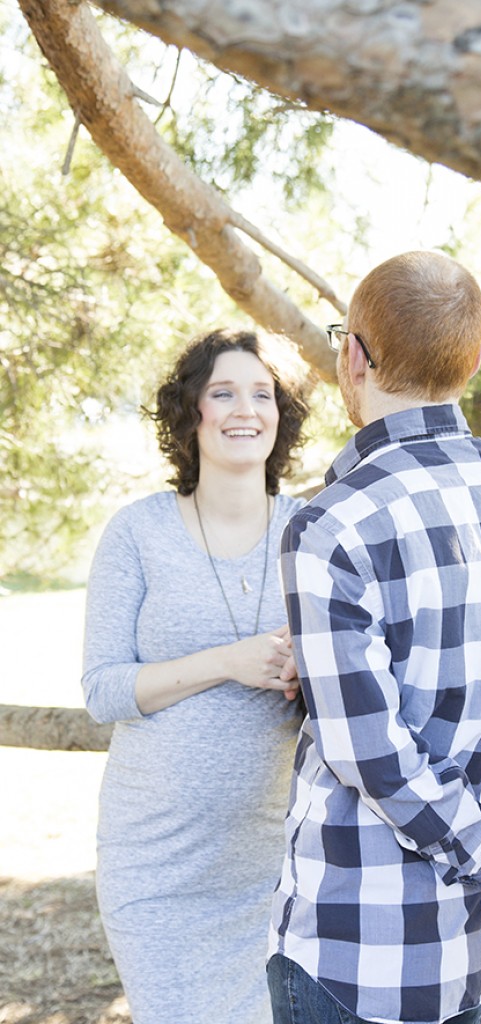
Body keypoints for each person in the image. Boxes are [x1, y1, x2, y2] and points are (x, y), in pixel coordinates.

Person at [267, 251, 481, 1024]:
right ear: (472, 360)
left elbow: (371, 755)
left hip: (351, 947)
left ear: (353, 355)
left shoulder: (328, 524)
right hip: (470, 943)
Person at [82, 328, 310, 1024]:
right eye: (223, 392)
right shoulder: (138, 532)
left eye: (262, 393)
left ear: (281, 414)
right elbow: (103, 690)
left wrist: (314, 672)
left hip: (275, 867)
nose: (245, 409)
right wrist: (227, 663)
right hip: (154, 865)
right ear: (192, 413)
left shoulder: (314, 531)